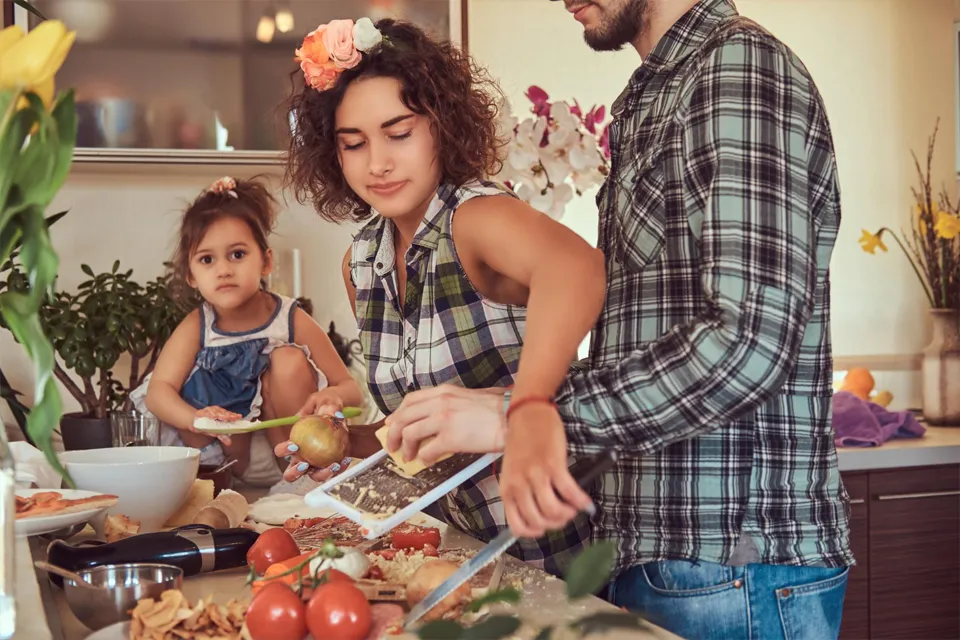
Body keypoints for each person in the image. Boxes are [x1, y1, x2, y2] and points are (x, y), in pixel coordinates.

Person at [384, 0, 855, 637]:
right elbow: (656, 333)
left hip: (732, 565)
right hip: (669, 556)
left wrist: (523, 414)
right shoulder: (661, 90)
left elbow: (747, 344)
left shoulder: (736, 68)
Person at [275, 17, 606, 577]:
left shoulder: (475, 218)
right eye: (353, 144)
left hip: (559, 555)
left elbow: (578, 268)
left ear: (441, 127)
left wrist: (524, 409)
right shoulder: (361, 261)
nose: (377, 162)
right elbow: (426, 431)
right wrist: (346, 446)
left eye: (398, 134)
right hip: (467, 557)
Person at [131, 176, 363, 486]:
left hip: (286, 457)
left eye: (237, 254)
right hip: (220, 464)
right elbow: (158, 392)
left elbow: (352, 390)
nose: (224, 269)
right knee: (181, 394)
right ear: (190, 275)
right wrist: (196, 420)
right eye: (207, 259)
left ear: (266, 261)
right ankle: (218, 488)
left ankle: (297, 478)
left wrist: (332, 395)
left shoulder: (290, 317)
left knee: (288, 359)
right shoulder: (198, 325)